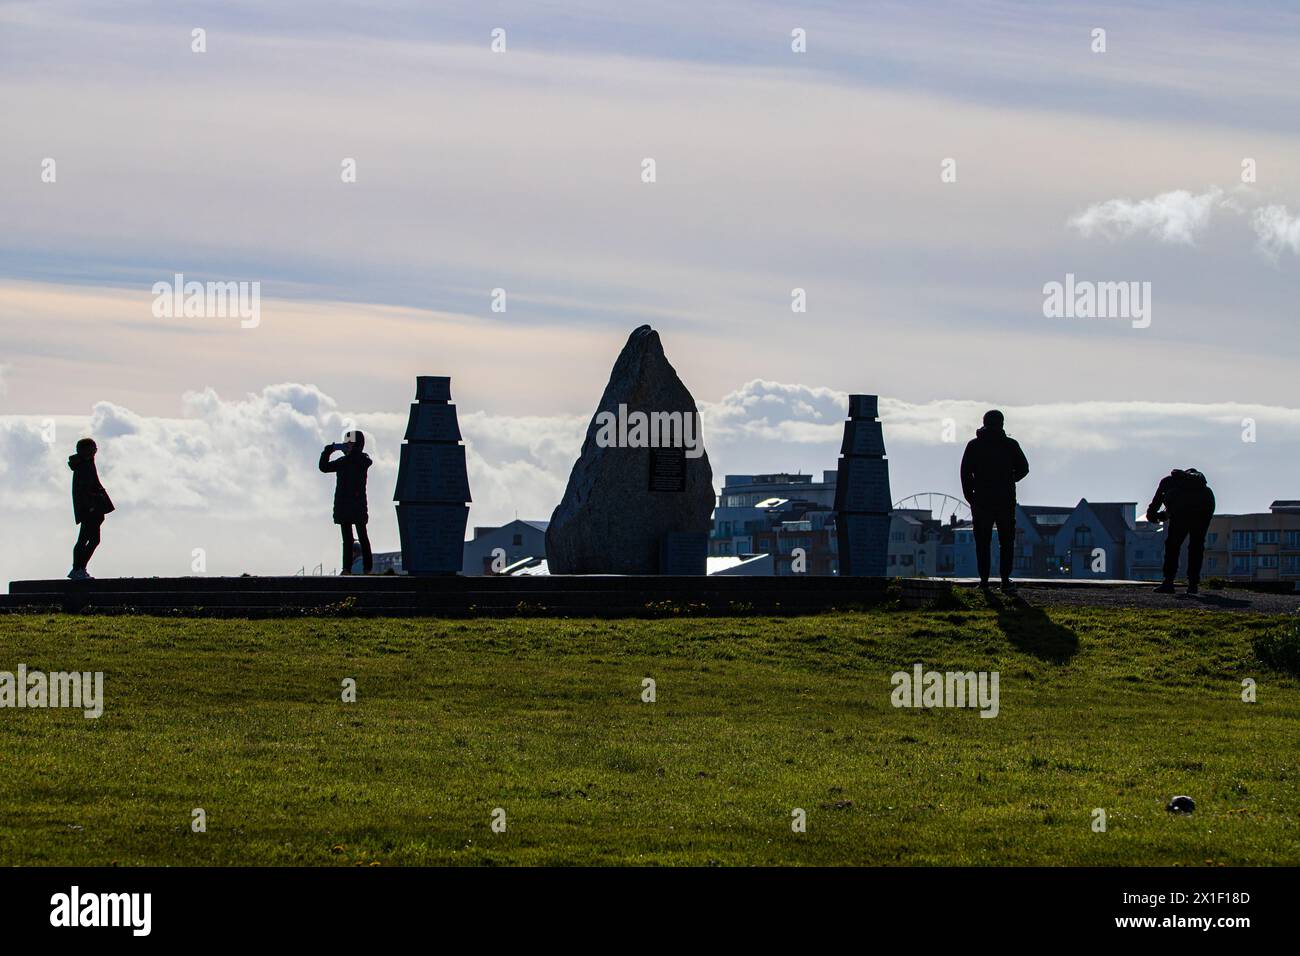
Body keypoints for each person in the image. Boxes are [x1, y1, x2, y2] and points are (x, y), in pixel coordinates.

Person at [960, 410, 1030, 592]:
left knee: (982, 542)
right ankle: (1005, 580)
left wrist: (971, 497)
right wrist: (1009, 480)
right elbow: (1024, 468)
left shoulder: (974, 446)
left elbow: (965, 473)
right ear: (1002, 424)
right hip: (1005, 500)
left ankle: (984, 581)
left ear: (984, 423)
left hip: (982, 500)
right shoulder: (1010, 445)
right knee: (1006, 541)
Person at [1145, 468, 1215, 595]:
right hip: (1205, 505)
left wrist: (1158, 516)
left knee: (1173, 545)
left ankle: (1168, 582)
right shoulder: (1204, 489)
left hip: (1181, 511)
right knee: (1197, 546)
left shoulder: (1167, 483)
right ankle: (1193, 584)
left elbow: (1153, 509)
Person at [319, 430, 373, 575]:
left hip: (350, 505)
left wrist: (330, 451)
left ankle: (352, 569)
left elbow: (324, 467)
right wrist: (329, 451)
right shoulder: (356, 460)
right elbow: (324, 468)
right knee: (355, 538)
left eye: (348, 443)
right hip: (352, 505)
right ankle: (356, 569)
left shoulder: (357, 461)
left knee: (354, 538)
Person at [68, 438, 115, 580]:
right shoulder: (84, 465)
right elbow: (84, 489)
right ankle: (78, 569)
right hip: (90, 509)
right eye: (93, 448)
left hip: (92, 508)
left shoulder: (86, 463)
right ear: (84, 450)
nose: (95, 451)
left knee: (89, 539)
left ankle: (79, 568)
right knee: (88, 539)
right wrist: (92, 506)